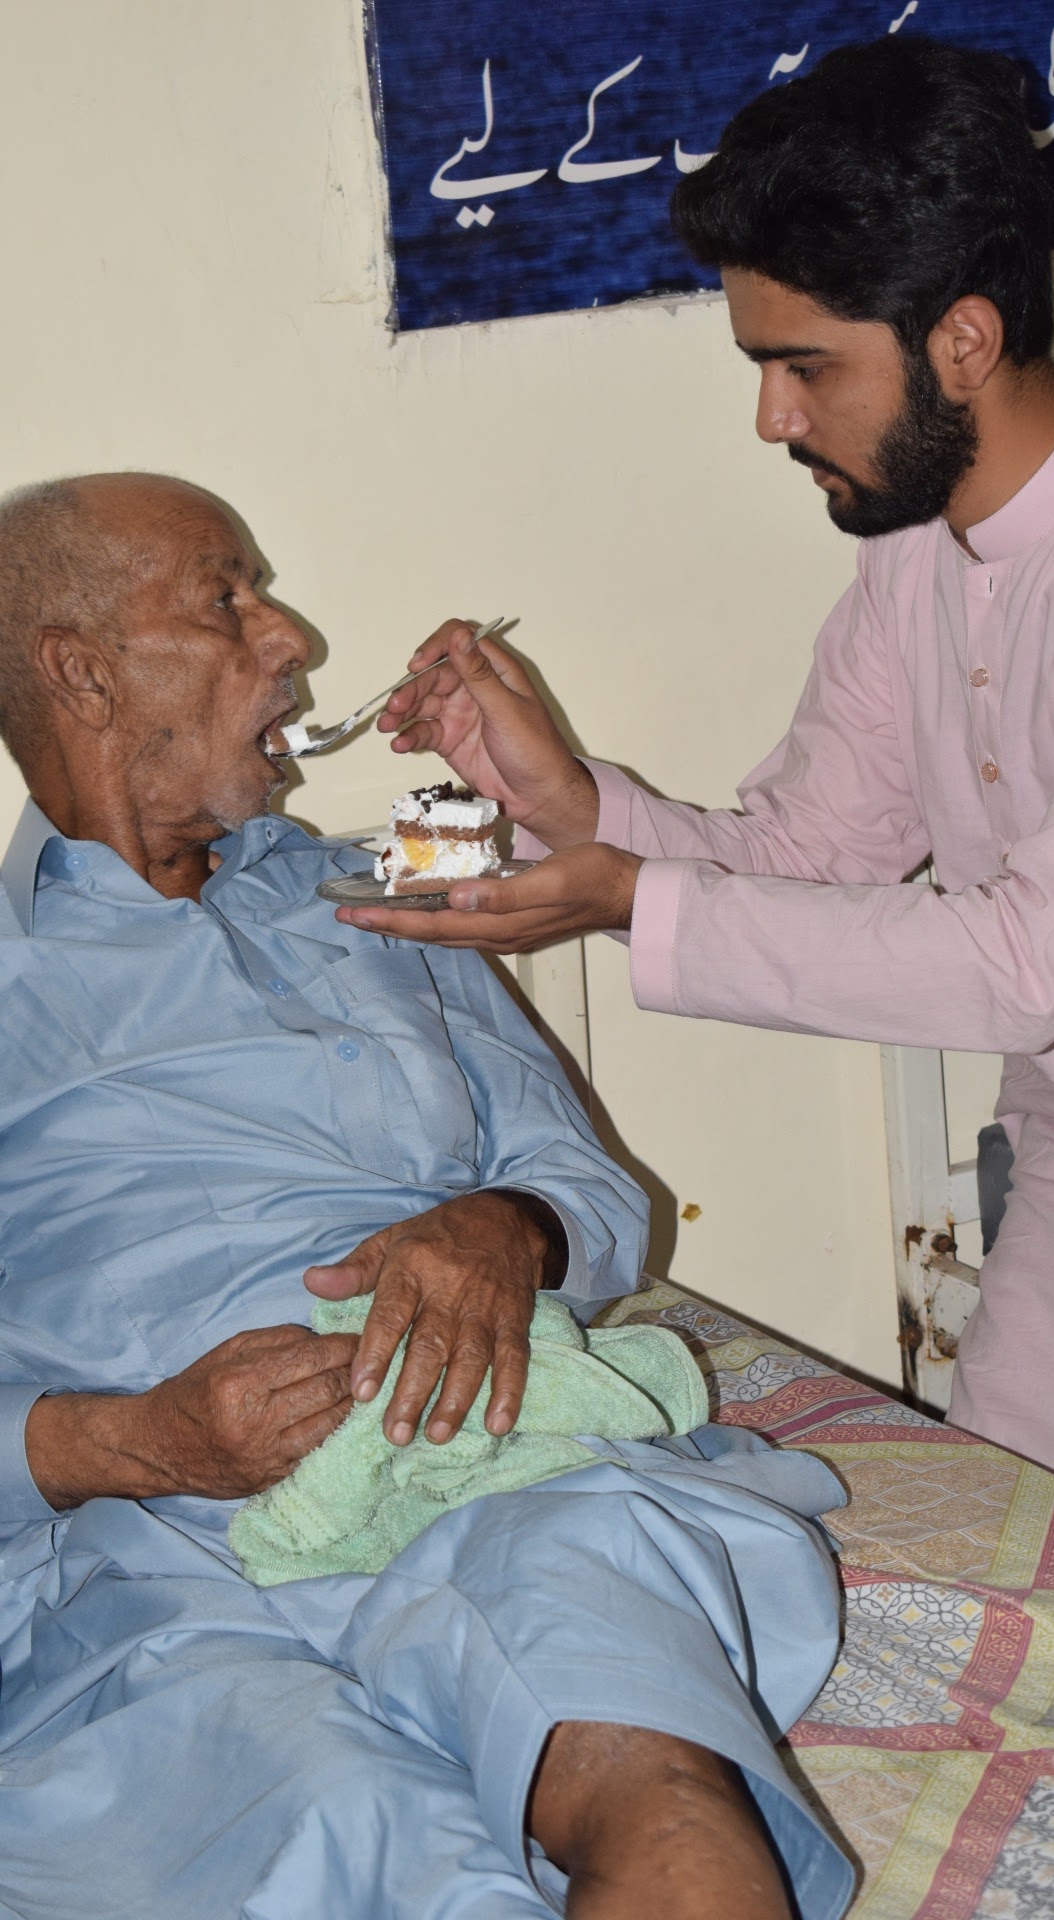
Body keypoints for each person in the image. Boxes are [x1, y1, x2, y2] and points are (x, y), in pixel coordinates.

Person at [346, 38, 1054, 1566]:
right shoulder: (918, 558)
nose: (773, 421)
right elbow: (807, 856)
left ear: (963, 340)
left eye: (805, 368)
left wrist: (626, 894)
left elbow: (1023, 964)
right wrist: (567, 802)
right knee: (1004, 1604)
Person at [0, 473, 854, 1920]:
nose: (293, 639)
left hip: (492, 1462)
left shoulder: (384, 893)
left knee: (653, 1781)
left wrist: (504, 1228)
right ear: (82, 673)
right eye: (227, 601)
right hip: (162, 1557)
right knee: (346, 1833)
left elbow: (595, 1196)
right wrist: (131, 1440)